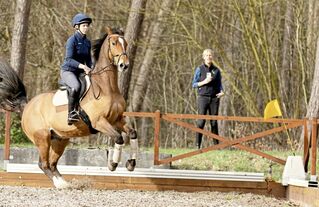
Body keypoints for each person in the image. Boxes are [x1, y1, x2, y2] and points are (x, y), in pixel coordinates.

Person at [60, 13, 93, 125]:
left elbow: (88, 60)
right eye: (84, 25)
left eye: (87, 25)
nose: (86, 28)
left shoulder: (87, 42)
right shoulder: (72, 40)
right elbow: (68, 59)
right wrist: (83, 66)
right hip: (68, 71)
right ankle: (71, 113)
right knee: (76, 86)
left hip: (80, 72)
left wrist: (91, 68)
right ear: (77, 27)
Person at [192, 49, 224, 149]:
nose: (208, 57)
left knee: (214, 122)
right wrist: (204, 82)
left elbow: (219, 84)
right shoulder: (199, 69)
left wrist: (222, 92)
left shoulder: (216, 70)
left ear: (212, 57)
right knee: (201, 121)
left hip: (214, 98)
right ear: (203, 57)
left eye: (210, 55)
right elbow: (194, 84)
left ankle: (216, 146)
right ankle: (198, 145)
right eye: (206, 55)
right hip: (203, 97)